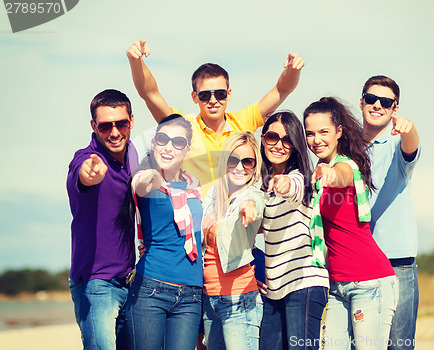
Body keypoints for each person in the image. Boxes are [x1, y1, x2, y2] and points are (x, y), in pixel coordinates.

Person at [126, 39, 304, 195]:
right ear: (194, 97)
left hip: (236, 225)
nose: (213, 101)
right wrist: (136, 61)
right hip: (197, 226)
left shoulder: (243, 122)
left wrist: (293, 70)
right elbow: (150, 93)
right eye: (204, 95)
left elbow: (281, 90)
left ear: (229, 94)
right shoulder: (182, 127)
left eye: (220, 94)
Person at [304, 97, 398, 350]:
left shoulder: (345, 166)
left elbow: (342, 176)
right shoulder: (319, 173)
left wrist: (330, 174)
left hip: (369, 282)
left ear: (339, 132)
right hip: (337, 285)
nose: (317, 140)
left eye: (324, 132)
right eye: (310, 133)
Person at [66, 89, 138, 350]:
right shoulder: (86, 159)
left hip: (132, 281)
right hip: (96, 284)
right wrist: (89, 175)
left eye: (121, 123)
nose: (115, 132)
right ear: (94, 126)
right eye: (106, 126)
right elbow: (82, 175)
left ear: (131, 119)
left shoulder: (135, 157)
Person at [124, 114, 203, 350]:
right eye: (162, 139)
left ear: (187, 150)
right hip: (151, 288)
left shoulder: (194, 185)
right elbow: (140, 184)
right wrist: (153, 176)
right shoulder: (146, 179)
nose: (169, 147)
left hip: (191, 293)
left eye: (178, 142)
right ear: (154, 143)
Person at [258, 111, 329, 350]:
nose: (279, 145)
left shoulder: (299, 177)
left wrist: (284, 184)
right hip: (274, 289)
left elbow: (294, 188)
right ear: (263, 138)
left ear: (295, 145)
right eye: (272, 137)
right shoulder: (260, 185)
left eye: (287, 140)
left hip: (305, 283)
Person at [359, 76, 420, 350]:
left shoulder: (398, 146)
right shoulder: (346, 151)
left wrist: (409, 129)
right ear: (362, 102)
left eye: (386, 102)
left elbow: (411, 146)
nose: (377, 105)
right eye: (371, 99)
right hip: (358, 265)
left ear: (395, 109)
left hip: (397, 264)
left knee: (399, 346)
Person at [202, 132, 265, 350]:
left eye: (247, 161)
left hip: (238, 299)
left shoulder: (253, 194)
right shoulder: (213, 195)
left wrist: (248, 206)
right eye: (233, 159)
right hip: (210, 299)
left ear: (255, 165)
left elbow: (254, 202)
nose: (240, 167)